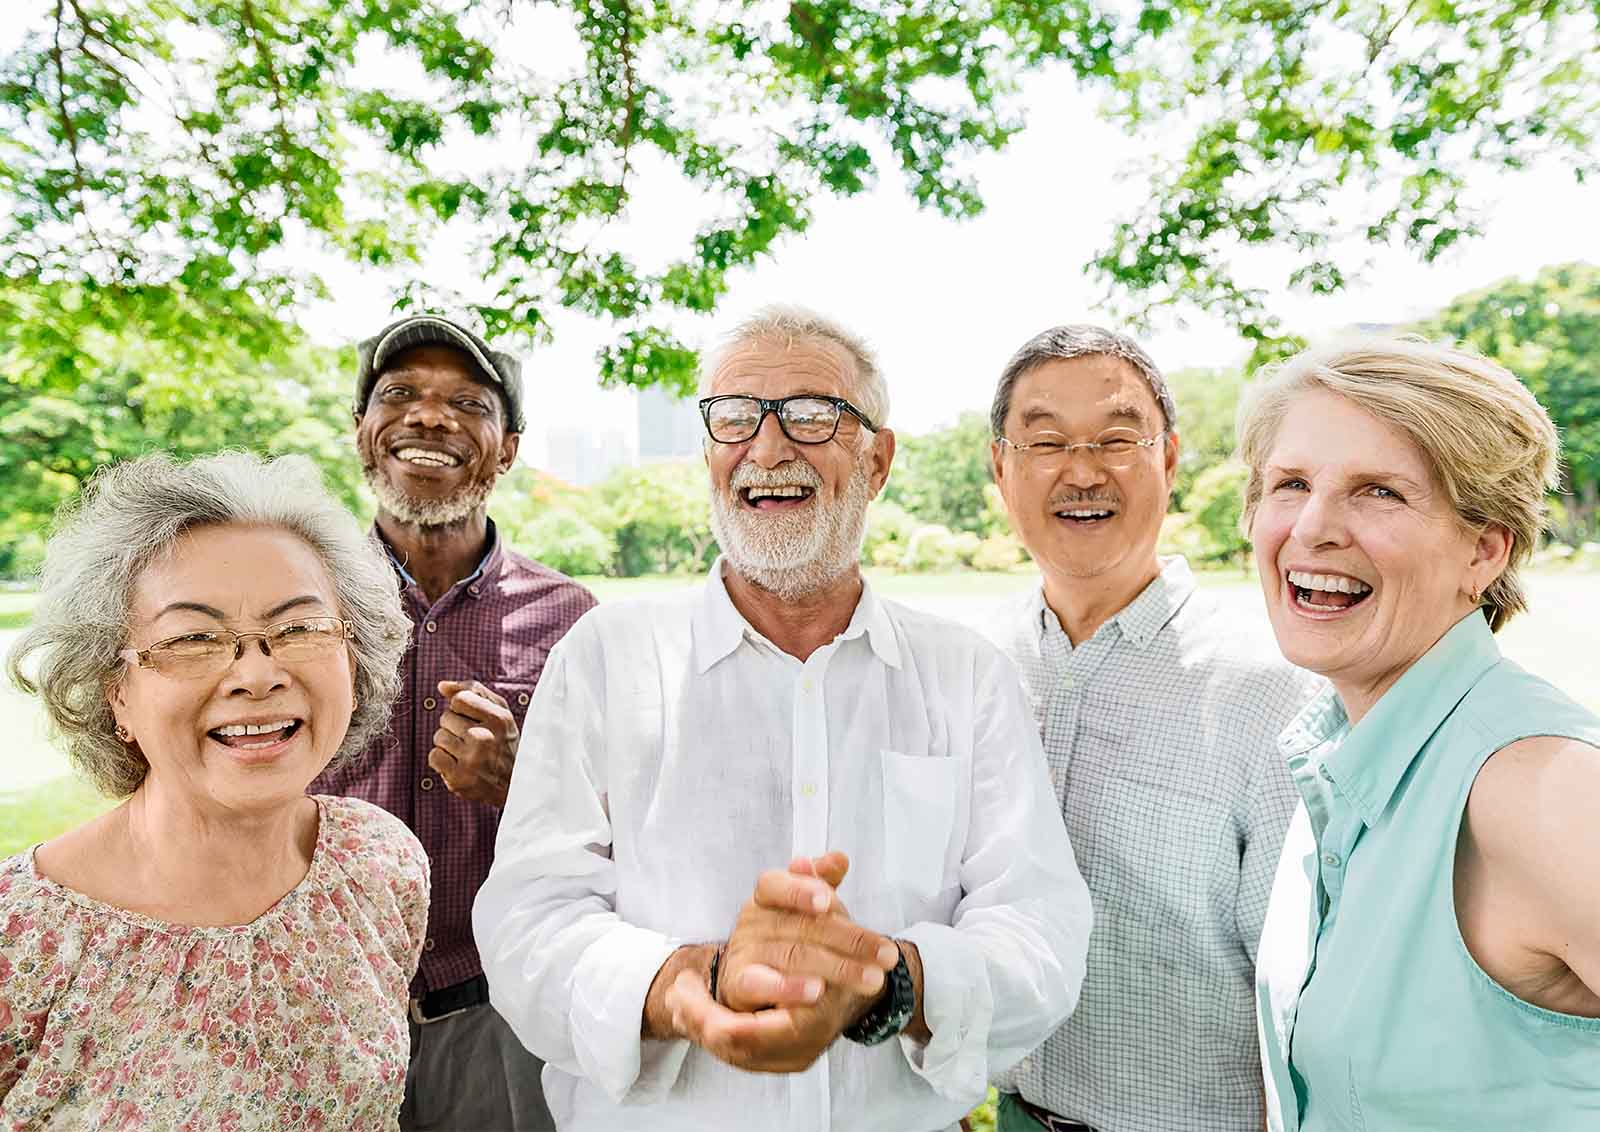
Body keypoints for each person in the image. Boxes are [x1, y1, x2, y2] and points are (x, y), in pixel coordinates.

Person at [473, 305, 1093, 1132]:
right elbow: (528, 923)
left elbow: (1039, 927)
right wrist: (692, 985)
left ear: (877, 461)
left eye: (812, 415)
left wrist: (888, 982)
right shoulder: (606, 658)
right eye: (734, 418)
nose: (767, 449)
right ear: (707, 455)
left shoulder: (965, 676)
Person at [1, 452, 424, 1129]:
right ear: (116, 693)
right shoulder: (20, 938)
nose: (256, 674)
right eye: (193, 638)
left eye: (299, 628)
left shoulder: (380, 863)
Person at [1241, 337, 1600, 1131]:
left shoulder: (1539, 788)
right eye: (1290, 483)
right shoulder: (1336, 756)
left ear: (1485, 549)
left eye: (1379, 492)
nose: (1313, 527)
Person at [985, 325, 1323, 1132]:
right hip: (1015, 1113)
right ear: (1001, 468)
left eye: (1116, 438)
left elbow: (1306, 996)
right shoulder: (978, 669)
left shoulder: (1270, 689)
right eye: (1046, 442)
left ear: (1169, 458)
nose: (1082, 470)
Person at [311, 314, 596, 1132]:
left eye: (467, 403)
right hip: (320, 1002)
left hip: (498, 1014)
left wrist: (523, 780)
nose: (429, 417)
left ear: (507, 447)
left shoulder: (572, 618)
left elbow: (626, 831)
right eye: (399, 394)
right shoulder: (299, 602)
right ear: (361, 432)